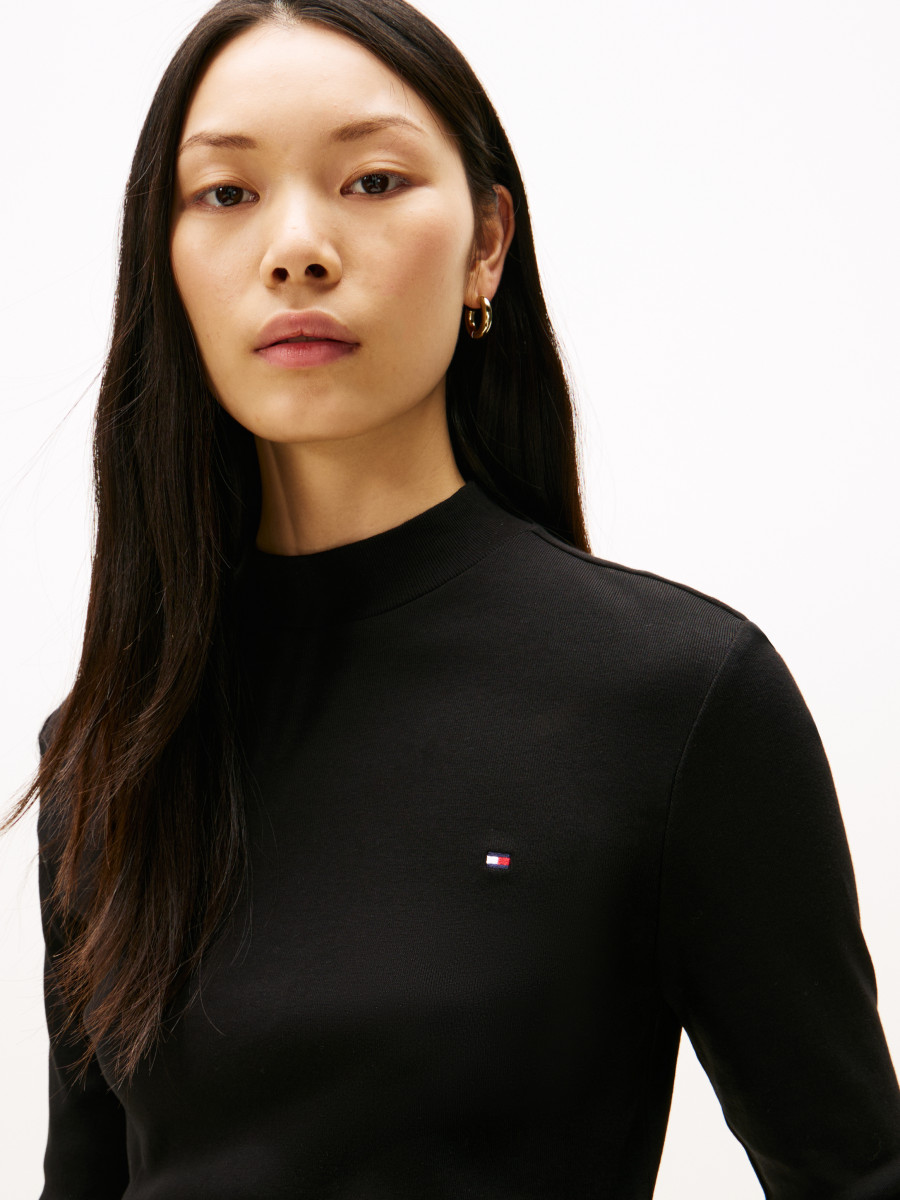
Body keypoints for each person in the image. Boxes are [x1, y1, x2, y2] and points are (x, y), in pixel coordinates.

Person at [3, 0, 899, 1196]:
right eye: (226, 193)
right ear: (163, 263)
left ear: (487, 245)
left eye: (372, 181)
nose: (297, 248)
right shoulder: (114, 747)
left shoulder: (674, 700)